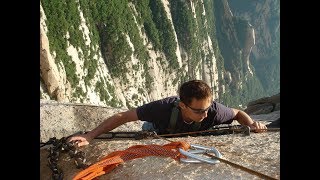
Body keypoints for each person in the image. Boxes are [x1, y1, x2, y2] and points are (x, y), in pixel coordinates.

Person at [69, 80, 267, 147]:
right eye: (199, 111)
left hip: (184, 138)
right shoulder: (163, 108)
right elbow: (123, 116)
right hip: (156, 131)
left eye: (207, 109)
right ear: (182, 105)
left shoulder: (214, 111)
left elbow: (239, 113)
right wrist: (90, 135)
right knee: (147, 129)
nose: (206, 115)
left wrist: (251, 125)